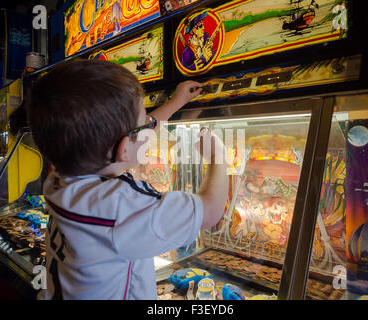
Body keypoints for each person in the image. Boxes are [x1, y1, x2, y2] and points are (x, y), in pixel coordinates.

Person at [26, 59, 229, 299]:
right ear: (124, 149)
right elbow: (211, 211)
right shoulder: (119, 207)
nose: (149, 125)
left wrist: (176, 103)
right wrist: (218, 156)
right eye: (144, 123)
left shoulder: (63, 177)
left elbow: (127, 138)